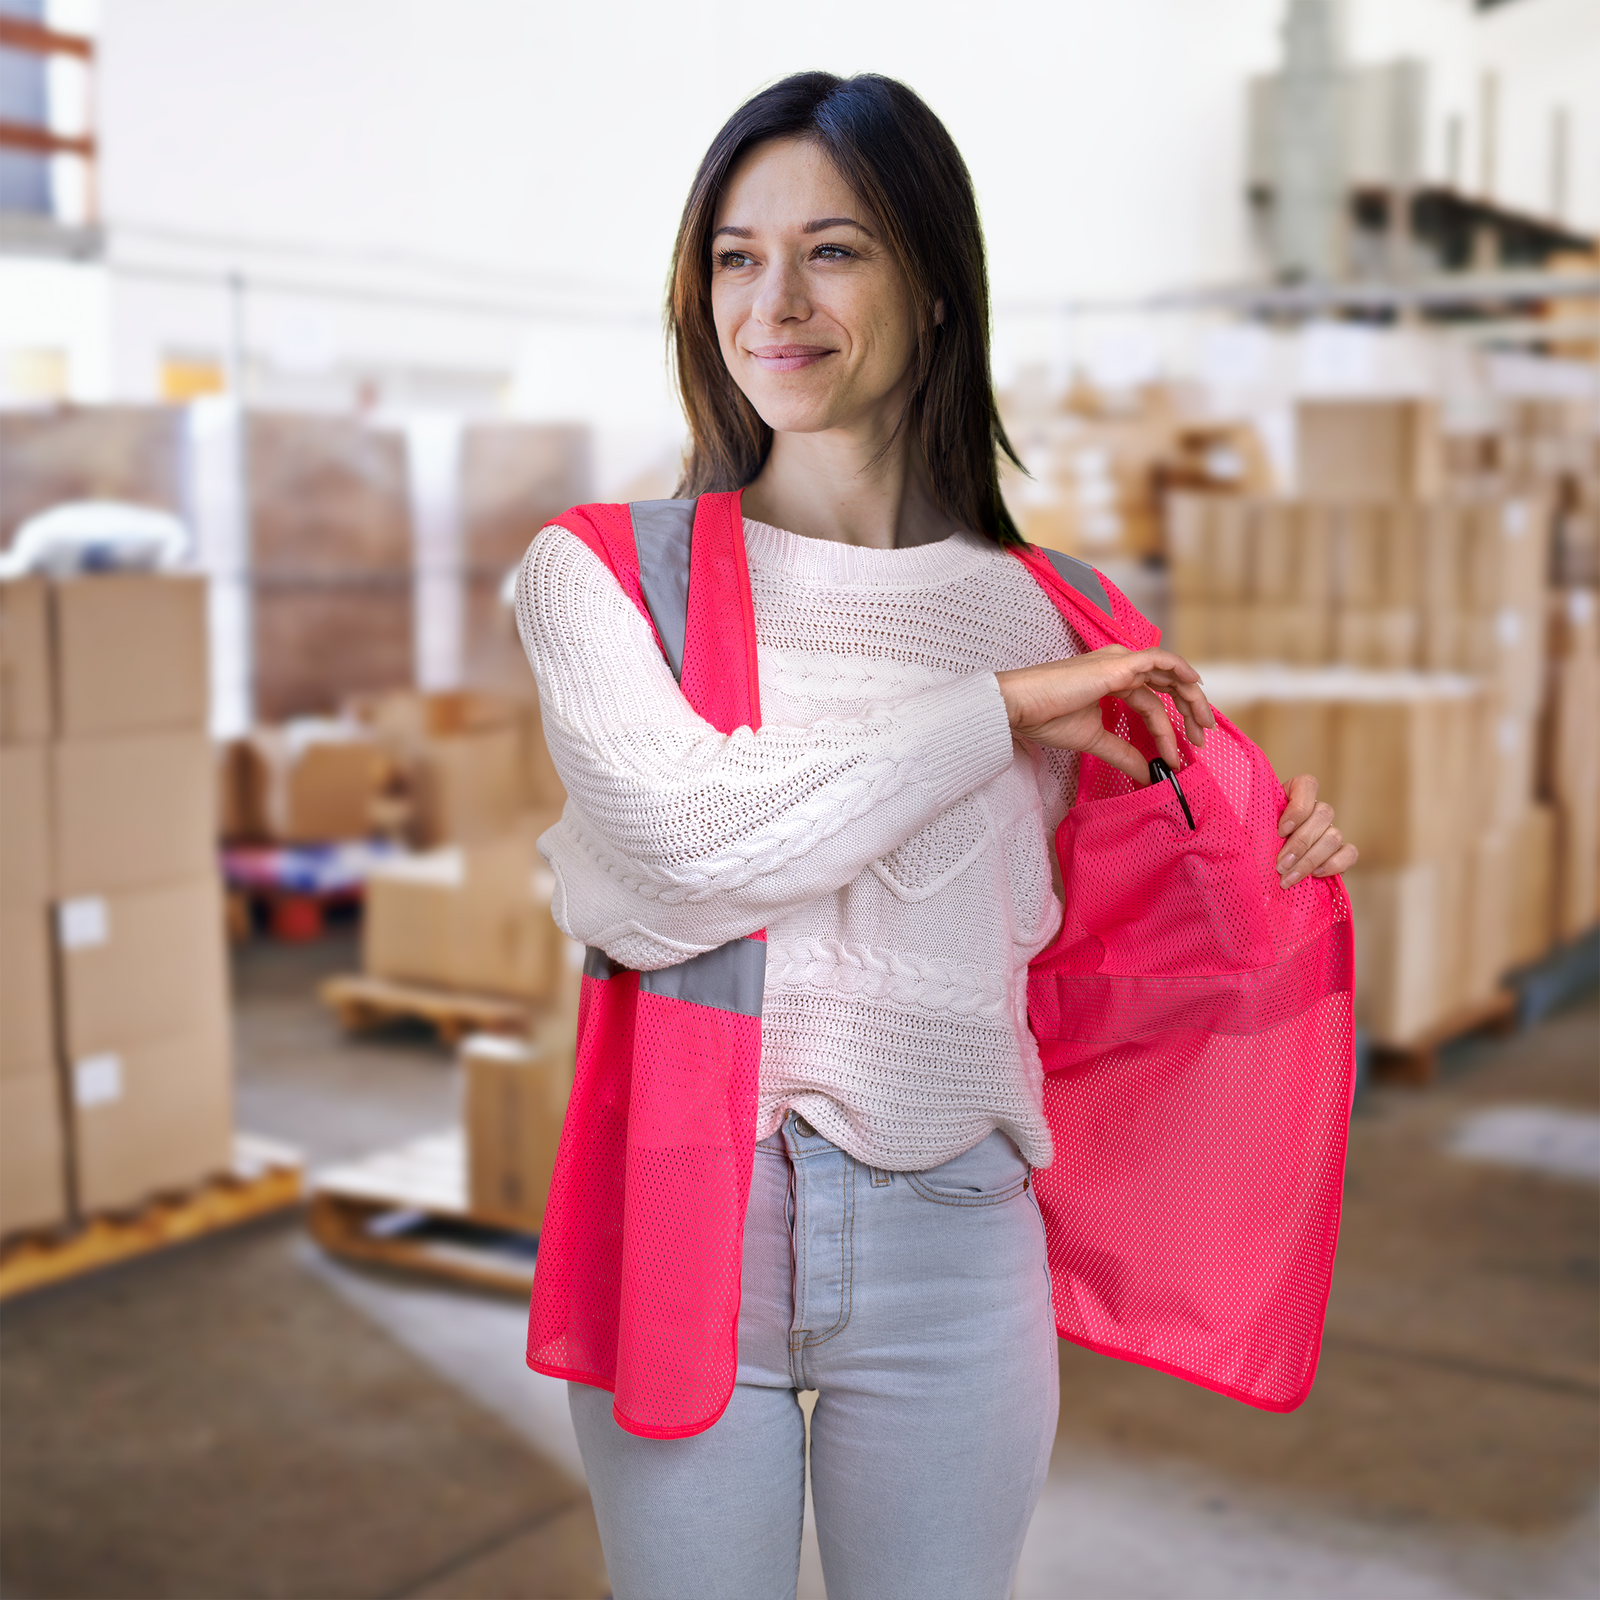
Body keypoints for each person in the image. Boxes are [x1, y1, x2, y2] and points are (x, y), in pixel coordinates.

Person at [514, 70, 1357, 1600]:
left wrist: (1270, 846)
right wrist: (1001, 712)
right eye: (733, 255)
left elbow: (1160, 935)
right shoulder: (606, 576)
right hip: (697, 1212)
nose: (774, 302)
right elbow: (686, 853)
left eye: (834, 250)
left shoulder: (1061, 611)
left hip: (959, 1228)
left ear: (934, 279)